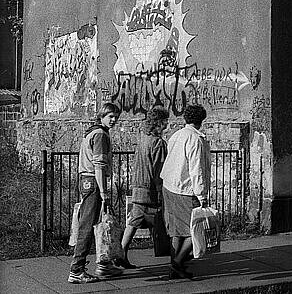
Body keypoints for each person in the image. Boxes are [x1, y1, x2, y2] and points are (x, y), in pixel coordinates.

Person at [68, 102, 123, 284]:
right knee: (88, 227)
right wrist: (103, 191)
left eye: (116, 116)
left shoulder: (92, 131)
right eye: (110, 117)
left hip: (86, 180)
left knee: (94, 225)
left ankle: (104, 264)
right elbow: (99, 166)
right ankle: (77, 270)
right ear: (102, 116)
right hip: (93, 181)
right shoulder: (100, 135)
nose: (114, 120)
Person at [160, 104, 211, 279]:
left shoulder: (176, 135)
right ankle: (177, 263)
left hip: (169, 185)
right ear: (201, 120)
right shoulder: (195, 139)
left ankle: (175, 264)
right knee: (195, 230)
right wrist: (202, 194)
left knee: (177, 230)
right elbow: (196, 169)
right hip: (185, 189)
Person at [116, 106, 169, 269]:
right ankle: (120, 252)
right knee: (137, 219)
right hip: (149, 186)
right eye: (164, 122)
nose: (166, 125)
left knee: (136, 218)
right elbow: (159, 169)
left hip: (138, 183)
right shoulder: (158, 143)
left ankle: (121, 253)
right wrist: (161, 189)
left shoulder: (142, 138)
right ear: (158, 123)